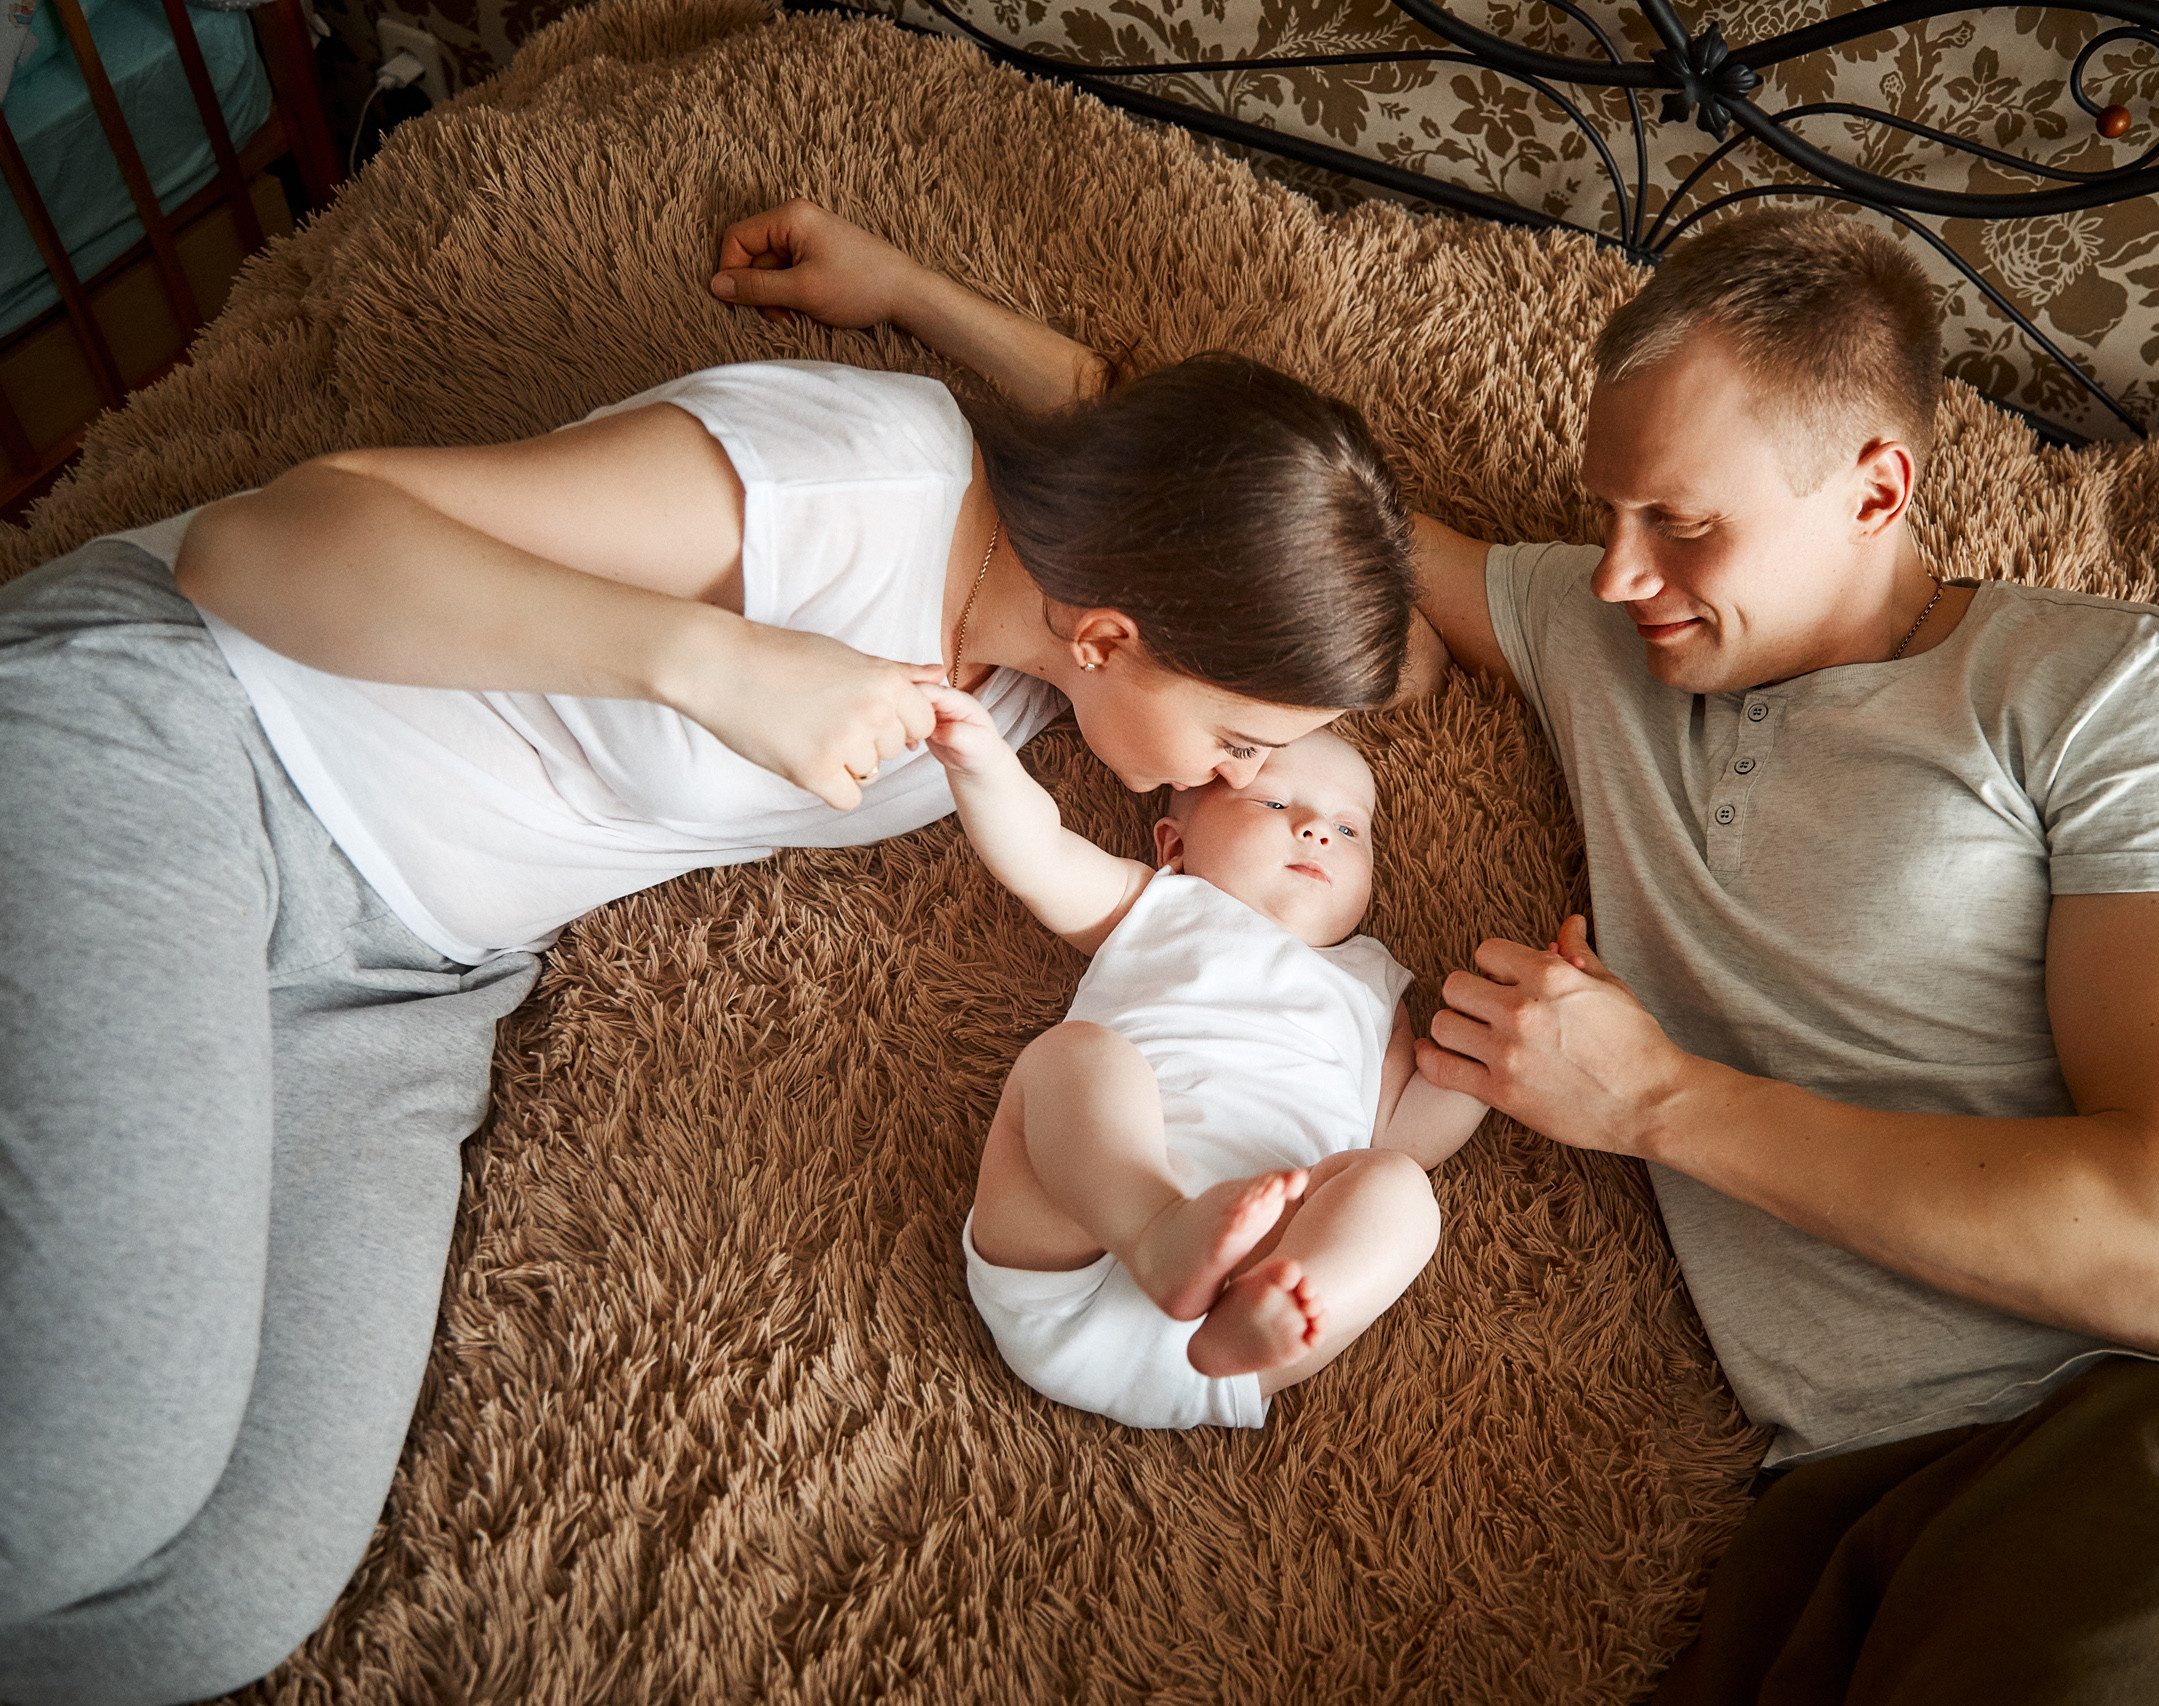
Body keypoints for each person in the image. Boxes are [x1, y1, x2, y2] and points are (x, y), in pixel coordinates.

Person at [723, 201, 2159, 1701]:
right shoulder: (1601, 632)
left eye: (1684, 526)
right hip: (1840, 1514)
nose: (1621, 575)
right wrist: (918, 296)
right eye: (1607, 514)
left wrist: (1659, 1101)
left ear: (1880, 484)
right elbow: (1239, 516)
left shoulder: (2115, 690)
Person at [0, 207, 1419, 1705]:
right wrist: (712, 660)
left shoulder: (1041, 679)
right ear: (1115, 632)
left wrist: (924, 292)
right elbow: (261, 544)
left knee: (210, 1605)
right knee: (85, 1484)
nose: (1240, 781)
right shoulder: (845, 481)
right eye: (1242, 741)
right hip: (201, 738)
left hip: (409, 974)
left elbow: (1184, 471)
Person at [925, 700, 1484, 1430]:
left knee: (1402, 1190)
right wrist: (983, 767)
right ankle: (1155, 1227)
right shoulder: (1158, 904)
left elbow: (1403, 1133)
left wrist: (1490, 1064)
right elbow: (1040, 856)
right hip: (1075, 1251)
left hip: (1235, 1320)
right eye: (1273, 802)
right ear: (1174, 845)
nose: (1316, 829)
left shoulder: (1376, 986)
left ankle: (1291, 1300)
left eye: (1350, 829)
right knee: (1078, 1057)